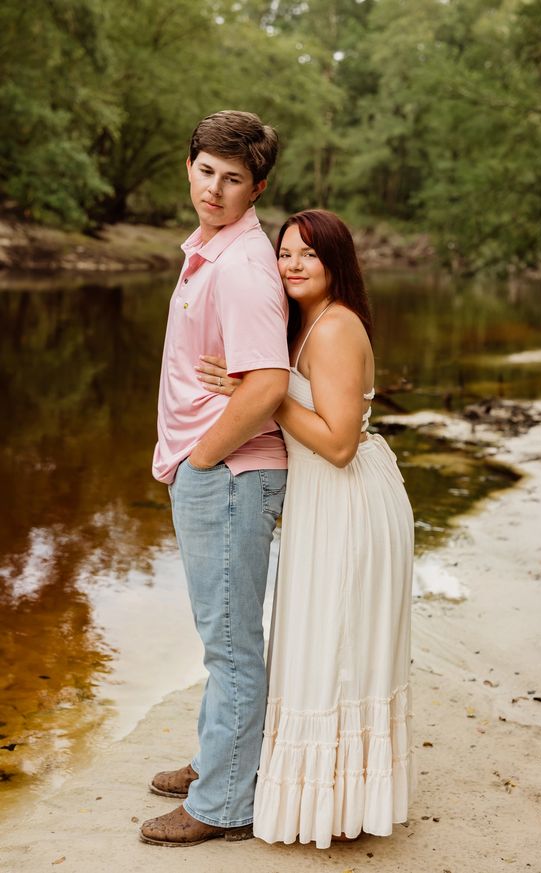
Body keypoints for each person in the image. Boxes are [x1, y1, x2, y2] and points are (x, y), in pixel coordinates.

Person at [196, 209, 414, 849]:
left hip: (350, 499)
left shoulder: (336, 328)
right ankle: (299, 784)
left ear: (335, 263)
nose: (290, 263)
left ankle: (338, 804)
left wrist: (262, 393)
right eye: (284, 252)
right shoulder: (301, 324)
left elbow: (341, 443)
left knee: (336, 646)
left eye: (307, 255)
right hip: (324, 499)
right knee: (315, 640)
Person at [139, 111, 290, 847]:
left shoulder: (242, 266)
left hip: (228, 470)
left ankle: (225, 803)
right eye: (206, 171)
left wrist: (202, 455)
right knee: (220, 633)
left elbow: (267, 384)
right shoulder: (210, 248)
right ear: (189, 165)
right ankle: (215, 763)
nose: (215, 189)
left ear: (257, 185)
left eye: (234, 179)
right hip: (212, 467)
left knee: (230, 642)